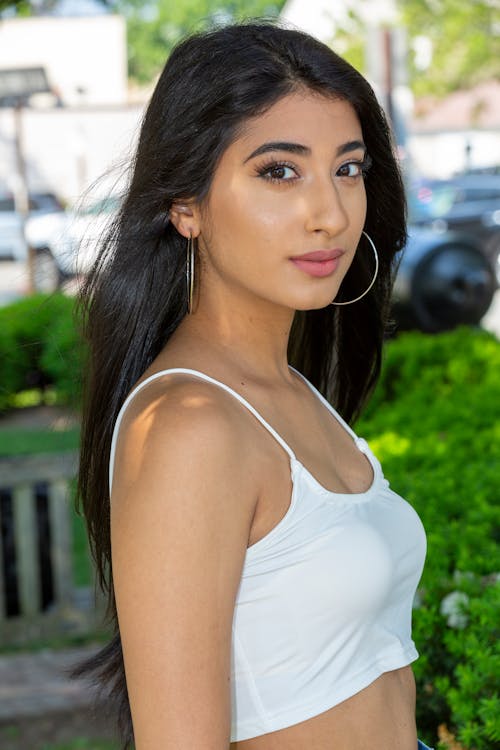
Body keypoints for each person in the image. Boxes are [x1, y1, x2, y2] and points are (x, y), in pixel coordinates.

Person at [75, 20, 430, 750]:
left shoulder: (293, 389)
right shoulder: (189, 426)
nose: (329, 214)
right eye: (279, 171)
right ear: (186, 205)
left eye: (349, 168)